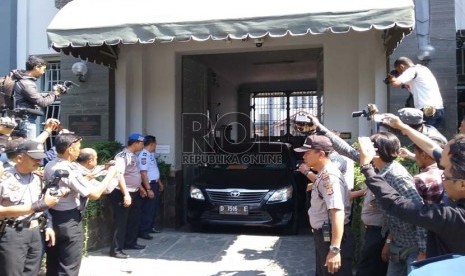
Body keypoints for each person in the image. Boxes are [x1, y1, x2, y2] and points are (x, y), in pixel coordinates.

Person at [307, 115, 427, 276]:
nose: (360, 150)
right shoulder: (375, 166)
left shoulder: (397, 176)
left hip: (411, 246)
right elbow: (347, 150)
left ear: (375, 152)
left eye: (366, 147)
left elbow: (419, 212)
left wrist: (423, 250)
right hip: (396, 240)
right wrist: (321, 128)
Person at [356, 115, 465, 257]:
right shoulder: (460, 171)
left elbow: (396, 203)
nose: (441, 174)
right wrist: (402, 126)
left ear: (462, 184)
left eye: (445, 172)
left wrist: (366, 167)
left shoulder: (455, 218)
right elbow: (432, 148)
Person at [44, 133, 117, 276]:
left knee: (52, 262)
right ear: (70, 149)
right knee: (69, 265)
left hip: (53, 217)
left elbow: (80, 178)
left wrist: (102, 168)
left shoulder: (50, 164)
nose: (79, 150)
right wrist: (111, 174)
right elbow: (94, 194)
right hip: (69, 220)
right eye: (78, 147)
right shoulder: (69, 170)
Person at [294, 134, 353, 275]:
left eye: (307, 153)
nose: (303, 157)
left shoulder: (329, 178)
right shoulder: (323, 174)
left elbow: (337, 212)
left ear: (320, 154)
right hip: (324, 237)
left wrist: (334, 249)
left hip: (330, 237)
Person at [0, 140, 61, 276]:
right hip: (13, 232)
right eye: (35, 158)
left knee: (32, 272)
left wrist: (49, 225)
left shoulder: (38, 178)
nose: (39, 162)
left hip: (36, 232)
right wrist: (37, 206)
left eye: (41, 159)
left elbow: (44, 205)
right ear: (20, 158)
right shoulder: (3, 179)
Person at [109, 133, 145, 259]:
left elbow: (134, 174)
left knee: (133, 219)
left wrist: (140, 188)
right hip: (122, 192)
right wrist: (126, 195)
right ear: (135, 143)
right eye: (141, 143)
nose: (142, 145)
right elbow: (119, 175)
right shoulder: (122, 156)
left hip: (134, 191)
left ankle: (130, 242)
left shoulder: (133, 156)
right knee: (121, 222)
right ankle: (116, 250)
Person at [13, 56, 64, 138]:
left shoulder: (24, 80)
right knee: (30, 149)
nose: (43, 72)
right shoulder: (26, 83)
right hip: (26, 120)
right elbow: (42, 102)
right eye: (43, 69)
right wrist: (55, 93)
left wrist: (52, 93)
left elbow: (37, 97)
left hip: (25, 119)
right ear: (37, 67)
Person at [387, 57, 444, 127]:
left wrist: (391, 77)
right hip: (437, 109)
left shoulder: (411, 70)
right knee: (430, 135)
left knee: (424, 135)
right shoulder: (422, 69)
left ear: (402, 67)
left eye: (398, 71)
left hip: (427, 110)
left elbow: (396, 83)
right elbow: (405, 85)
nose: (399, 74)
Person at [138, 135, 164, 240]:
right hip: (148, 184)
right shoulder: (144, 155)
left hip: (155, 183)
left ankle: (150, 227)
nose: (156, 145)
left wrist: (160, 183)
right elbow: (143, 174)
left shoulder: (151, 154)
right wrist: (148, 189)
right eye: (155, 143)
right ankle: (143, 231)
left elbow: (154, 169)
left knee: (153, 208)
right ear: (152, 143)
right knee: (147, 209)